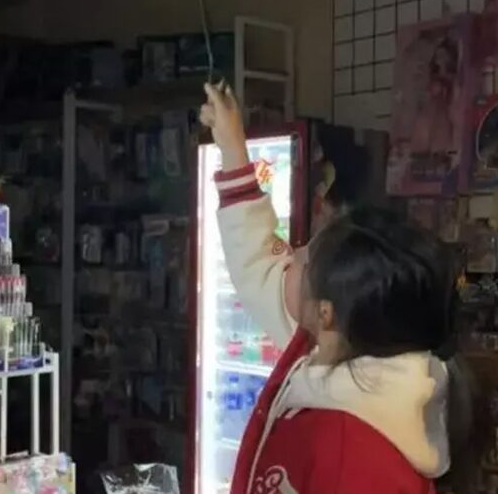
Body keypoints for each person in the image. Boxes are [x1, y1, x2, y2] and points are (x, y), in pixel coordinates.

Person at [200, 83, 479, 494]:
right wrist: (232, 148)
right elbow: (257, 261)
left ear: (325, 312)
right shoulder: (331, 348)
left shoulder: (355, 459)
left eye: (301, 261)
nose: (289, 256)